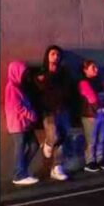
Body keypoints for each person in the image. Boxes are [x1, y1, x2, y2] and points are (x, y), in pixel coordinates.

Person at [32, 45, 73, 181]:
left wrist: (51, 81)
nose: (56, 57)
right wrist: (49, 80)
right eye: (53, 54)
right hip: (48, 111)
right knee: (54, 135)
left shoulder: (64, 72)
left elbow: (66, 89)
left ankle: (57, 168)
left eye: (58, 55)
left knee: (63, 137)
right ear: (47, 56)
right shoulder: (41, 72)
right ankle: (48, 144)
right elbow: (41, 88)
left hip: (63, 109)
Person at [5, 61, 39, 185]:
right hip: (18, 124)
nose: (26, 76)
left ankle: (22, 171)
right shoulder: (12, 87)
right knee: (20, 148)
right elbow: (17, 107)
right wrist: (32, 115)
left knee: (34, 145)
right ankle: (19, 175)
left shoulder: (19, 86)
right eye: (23, 73)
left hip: (24, 123)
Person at [79, 60, 104, 172]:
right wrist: (100, 107)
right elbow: (91, 97)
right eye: (93, 67)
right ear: (85, 70)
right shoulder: (83, 83)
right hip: (90, 115)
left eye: (96, 67)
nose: (96, 69)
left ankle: (100, 159)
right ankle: (90, 162)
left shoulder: (100, 82)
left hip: (101, 114)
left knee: (101, 138)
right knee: (91, 140)